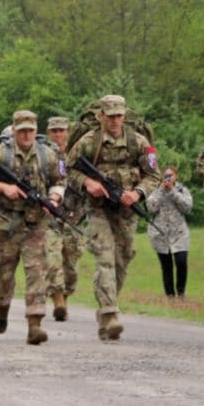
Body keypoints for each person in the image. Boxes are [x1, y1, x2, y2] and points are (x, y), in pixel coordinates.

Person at [66, 95, 160, 340]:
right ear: (101, 116)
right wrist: (88, 183)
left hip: (126, 211)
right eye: (111, 116)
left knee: (123, 259)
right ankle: (110, 315)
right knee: (105, 258)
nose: (116, 120)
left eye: (120, 115)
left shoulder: (137, 142)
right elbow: (68, 170)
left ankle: (106, 308)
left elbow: (154, 175)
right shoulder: (88, 142)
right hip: (98, 209)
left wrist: (137, 193)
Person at [0, 110, 65, 344]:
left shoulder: (47, 155)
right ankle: (2, 303)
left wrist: (53, 199)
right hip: (6, 222)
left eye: (30, 130)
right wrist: (2, 188)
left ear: (36, 130)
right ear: (15, 131)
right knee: (4, 272)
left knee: (36, 270)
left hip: (35, 221)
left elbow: (60, 181)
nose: (27, 134)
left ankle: (35, 323)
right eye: (22, 131)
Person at [44, 116, 83, 320]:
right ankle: (57, 300)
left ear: (67, 132)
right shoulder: (44, 154)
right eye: (54, 131)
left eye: (61, 130)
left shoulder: (76, 154)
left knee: (71, 264)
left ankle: (65, 296)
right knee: (52, 260)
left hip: (73, 216)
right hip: (50, 216)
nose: (58, 134)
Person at [146, 165, 193, 299]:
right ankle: (170, 295)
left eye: (170, 175)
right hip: (161, 234)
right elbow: (151, 208)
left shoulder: (182, 190)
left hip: (179, 233)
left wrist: (173, 191)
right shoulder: (156, 191)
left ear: (176, 177)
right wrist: (162, 190)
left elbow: (187, 208)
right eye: (165, 175)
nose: (167, 178)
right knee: (166, 266)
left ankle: (181, 292)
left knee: (181, 261)